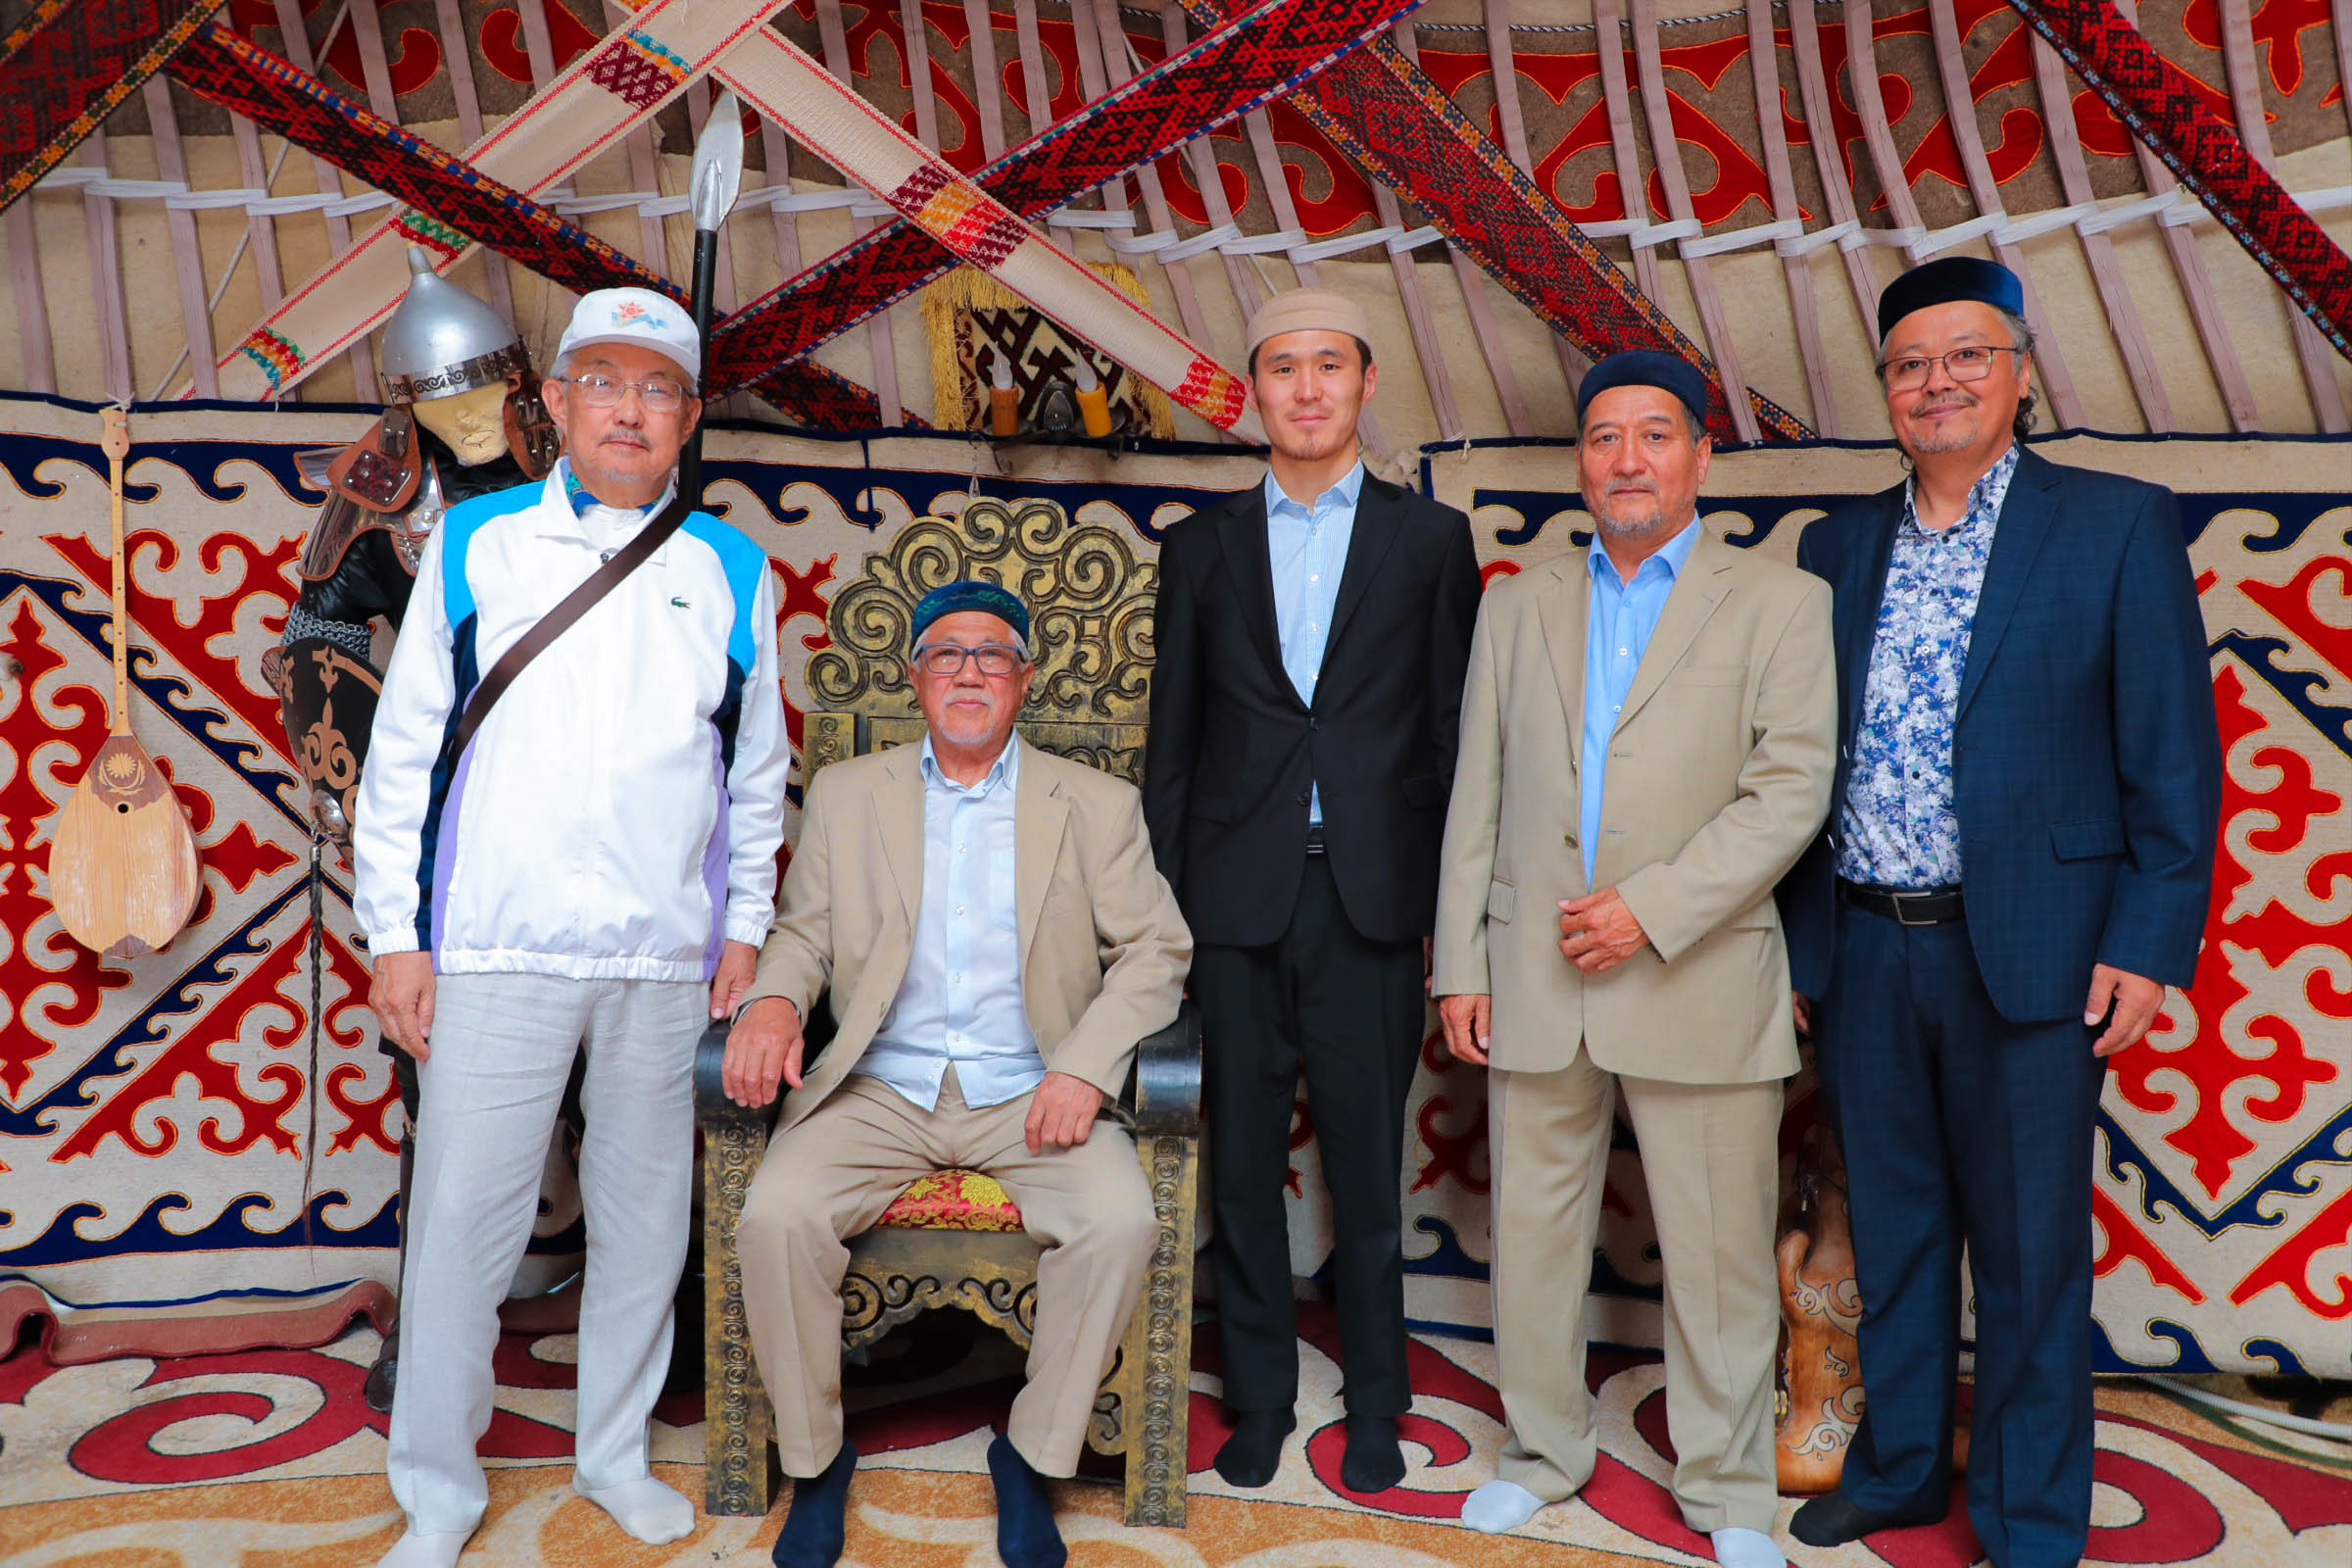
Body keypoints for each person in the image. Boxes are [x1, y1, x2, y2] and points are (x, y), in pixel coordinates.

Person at [1780, 257, 2223, 1567]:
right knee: (1896, 1231)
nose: (1939, 382)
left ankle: (2030, 1520)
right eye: (1911, 364)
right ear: (1886, 388)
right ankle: (1903, 1469)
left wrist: (2147, 941)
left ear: (2020, 372)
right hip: (1866, 943)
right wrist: (1798, 946)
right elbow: (1796, 764)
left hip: (2038, 950)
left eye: (1967, 355)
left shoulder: (2116, 525)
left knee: (2031, 1255)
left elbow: (2174, 755)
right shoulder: (1834, 546)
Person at [353, 287, 790, 1567]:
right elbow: (403, 751)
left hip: (664, 955)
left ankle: (611, 1453)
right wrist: (395, 937)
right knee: (461, 1229)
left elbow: (756, 770)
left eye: (658, 389)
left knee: (646, 1224)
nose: (629, 410)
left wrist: (745, 929)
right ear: (553, 402)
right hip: (496, 944)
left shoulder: (730, 566)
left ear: (688, 418)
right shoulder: (476, 541)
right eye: (603, 380)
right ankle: (439, 1490)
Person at [1430, 352, 1835, 1568]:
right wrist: (1461, 963)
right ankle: (1539, 1452)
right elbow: (1477, 793)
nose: (1627, 459)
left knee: (1718, 1258)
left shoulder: (1779, 601)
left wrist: (1649, 910)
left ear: (1701, 456)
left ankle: (1728, 1491)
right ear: (1580, 462)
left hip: (1696, 966)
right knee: (1534, 1243)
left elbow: (1789, 792)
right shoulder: (1518, 602)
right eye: (1605, 437)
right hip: (1535, 969)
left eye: (1655, 435)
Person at [721, 580, 1191, 1568]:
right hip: (880, 1089)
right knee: (775, 1215)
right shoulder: (850, 793)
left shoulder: (1096, 805)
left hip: (1033, 1089)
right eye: (946, 653)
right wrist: (772, 1000)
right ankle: (816, 1460)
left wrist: (1084, 1068)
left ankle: (1032, 1454)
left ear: (1024, 678)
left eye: (991, 655)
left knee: (1120, 1220)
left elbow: (1157, 952)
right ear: (917, 678)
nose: (968, 672)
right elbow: (803, 934)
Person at [1143, 288, 1482, 1493]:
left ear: (1365, 382)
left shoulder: (1429, 541)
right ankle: (1259, 1394)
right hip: (1232, 903)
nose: (1305, 387)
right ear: (1256, 393)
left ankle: (1378, 1397)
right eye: (1282, 367)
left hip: (1371, 900)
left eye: (1327, 364)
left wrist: (1450, 915)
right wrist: (1165, 918)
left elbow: (1452, 737)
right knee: (1240, 1166)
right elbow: (1172, 746)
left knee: (1365, 1165)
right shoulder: (1199, 547)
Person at [270, 245, 564, 1413]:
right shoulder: (381, 492)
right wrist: (368, 774)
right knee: (435, 1071)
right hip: (449, 808)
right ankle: (433, 1323)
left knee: (638, 1076)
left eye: (488, 391)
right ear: (405, 408)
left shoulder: (588, 465)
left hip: (593, 797)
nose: (473, 417)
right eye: (447, 400)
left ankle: (665, 1301)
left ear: (522, 383)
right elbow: (317, 635)